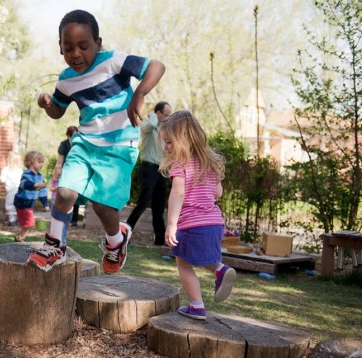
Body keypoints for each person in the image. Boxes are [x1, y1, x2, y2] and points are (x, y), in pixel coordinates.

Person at [27, 9, 165, 274]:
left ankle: (116, 241)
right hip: (85, 142)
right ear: (60, 48)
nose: (76, 53)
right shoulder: (67, 79)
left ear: (98, 43)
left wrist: (139, 94)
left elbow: (156, 67)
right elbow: (58, 110)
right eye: (69, 48)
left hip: (118, 145)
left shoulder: (112, 61)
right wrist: (46, 103)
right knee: (65, 193)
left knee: (102, 206)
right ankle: (54, 245)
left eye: (83, 46)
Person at [159, 110, 236, 320]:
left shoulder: (181, 164)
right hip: (213, 222)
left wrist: (172, 224)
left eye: (169, 142)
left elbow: (177, 193)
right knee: (202, 258)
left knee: (183, 262)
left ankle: (196, 305)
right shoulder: (211, 163)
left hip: (191, 223)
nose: (166, 147)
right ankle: (220, 269)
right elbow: (217, 193)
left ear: (183, 140)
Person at [126, 101, 172, 245]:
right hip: (148, 168)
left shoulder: (163, 131)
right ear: (158, 113)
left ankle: (159, 240)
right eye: (166, 115)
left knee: (158, 207)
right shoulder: (148, 125)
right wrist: (152, 115)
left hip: (160, 171)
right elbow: (150, 125)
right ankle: (125, 233)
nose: (167, 118)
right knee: (142, 203)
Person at [14, 151, 50, 242]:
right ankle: (20, 238)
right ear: (31, 162)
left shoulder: (40, 176)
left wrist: (45, 203)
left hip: (29, 204)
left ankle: (20, 238)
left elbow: (42, 192)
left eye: (42, 162)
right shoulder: (26, 174)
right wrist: (35, 185)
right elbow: (23, 184)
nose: (41, 164)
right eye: (39, 162)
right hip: (22, 202)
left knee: (29, 224)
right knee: (29, 223)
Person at [57, 125, 80, 227]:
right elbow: (59, 161)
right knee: (64, 195)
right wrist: (58, 170)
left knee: (75, 196)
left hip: (77, 172)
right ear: (68, 136)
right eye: (72, 136)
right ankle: (62, 218)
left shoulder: (80, 144)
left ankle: (74, 219)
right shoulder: (64, 145)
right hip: (66, 171)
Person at [0, 151, 23, 226]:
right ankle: (17, 218)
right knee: (17, 204)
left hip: (10, 190)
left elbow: (2, 179)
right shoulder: (19, 171)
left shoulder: (5, 170)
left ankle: (12, 220)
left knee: (10, 205)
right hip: (19, 190)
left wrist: (1, 179)